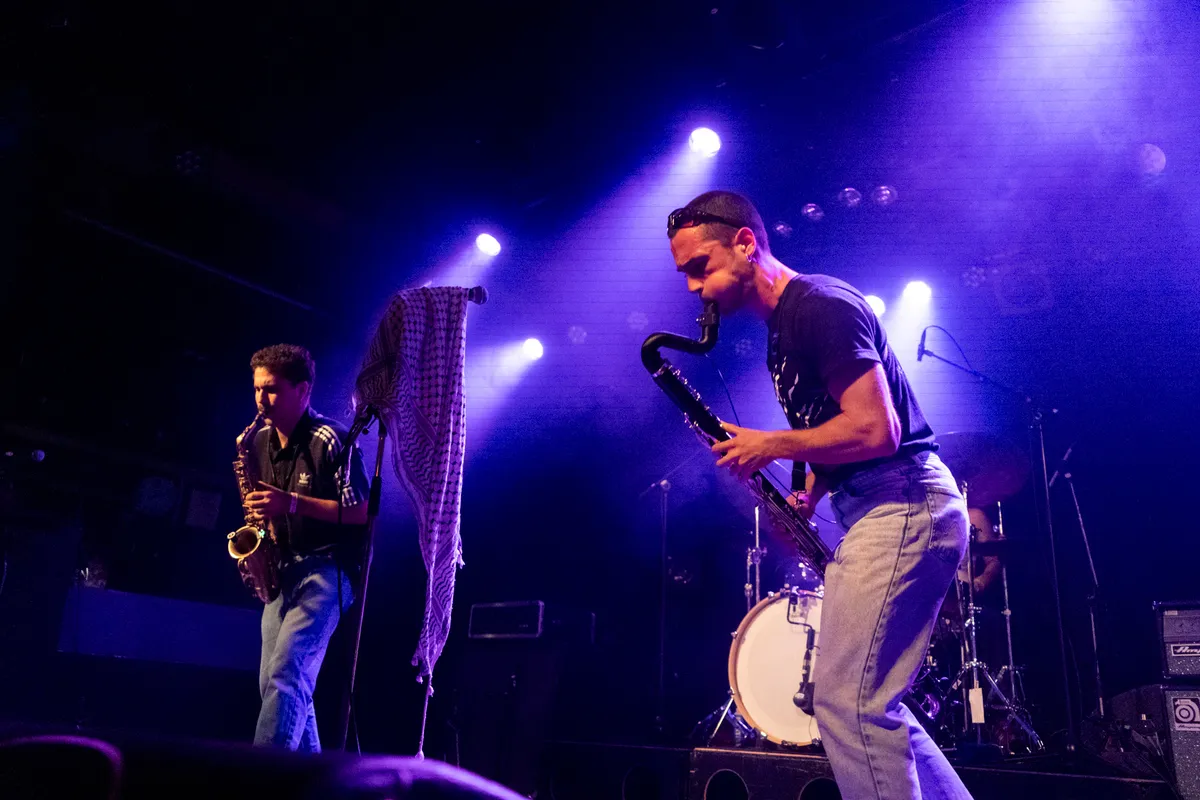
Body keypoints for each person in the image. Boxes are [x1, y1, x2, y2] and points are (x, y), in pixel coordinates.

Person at [667, 191, 973, 799]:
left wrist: (769, 445)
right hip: (885, 508)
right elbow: (834, 431)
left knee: (846, 703)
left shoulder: (819, 306)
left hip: (903, 503)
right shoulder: (782, 331)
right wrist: (807, 495)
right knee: (869, 704)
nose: (694, 288)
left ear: (745, 244)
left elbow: (877, 429)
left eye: (700, 266)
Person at [242, 343, 370, 752]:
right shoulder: (258, 440)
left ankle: (264, 775)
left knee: (287, 674)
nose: (261, 400)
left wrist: (292, 503)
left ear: (303, 390)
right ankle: (313, 775)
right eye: (257, 389)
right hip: (283, 567)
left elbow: (361, 512)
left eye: (272, 390)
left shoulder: (330, 438)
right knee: (274, 681)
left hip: (328, 568)